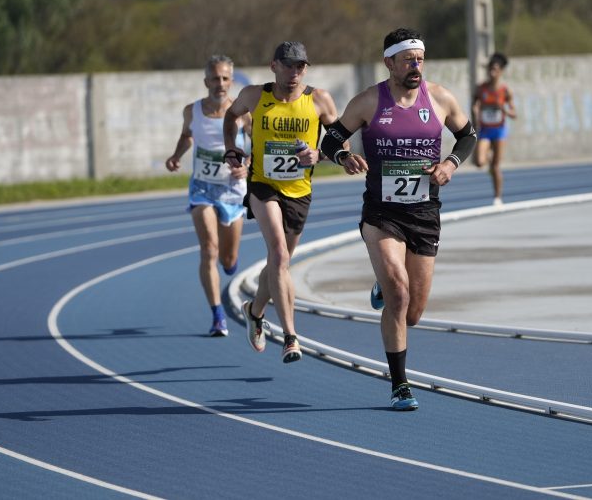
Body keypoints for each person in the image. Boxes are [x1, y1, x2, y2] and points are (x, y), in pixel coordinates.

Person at [320, 28, 477, 410]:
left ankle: (385, 283)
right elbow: (330, 139)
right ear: (389, 62)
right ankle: (400, 384)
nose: (415, 66)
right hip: (382, 213)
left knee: (414, 312)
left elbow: (468, 135)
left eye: (420, 59)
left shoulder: (439, 98)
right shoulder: (368, 101)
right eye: (408, 60)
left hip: (424, 212)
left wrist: (451, 163)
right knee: (399, 294)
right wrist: (343, 157)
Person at [222, 41, 340, 364]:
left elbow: (340, 141)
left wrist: (320, 154)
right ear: (273, 66)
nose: (294, 73)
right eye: (288, 65)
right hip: (263, 185)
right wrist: (231, 147)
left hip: (299, 191)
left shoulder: (319, 100)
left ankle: (254, 310)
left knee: (280, 263)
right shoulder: (254, 96)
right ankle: (290, 336)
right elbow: (231, 117)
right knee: (278, 253)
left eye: (300, 66)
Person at [165, 54, 251, 337]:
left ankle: (230, 261)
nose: (220, 84)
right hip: (202, 188)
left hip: (232, 191)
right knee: (209, 249)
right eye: (215, 78)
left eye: (225, 78)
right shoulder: (192, 111)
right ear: (206, 82)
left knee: (227, 259)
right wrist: (176, 156)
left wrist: (248, 166)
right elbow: (187, 135)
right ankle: (217, 315)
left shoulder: (242, 113)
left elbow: (258, 144)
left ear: (232, 81)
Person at [472, 52, 517, 206]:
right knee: (479, 162)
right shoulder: (481, 89)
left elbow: (514, 114)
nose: (492, 73)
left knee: (496, 167)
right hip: (485, 129)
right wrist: (475, 111)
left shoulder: (505, 91)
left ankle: (497, 197)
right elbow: (474, 104)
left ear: (501, 71)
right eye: (490, 69)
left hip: (499, 130)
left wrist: (504, 109)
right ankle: (488, 158)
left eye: (495, 70)